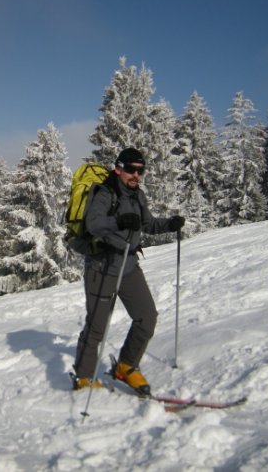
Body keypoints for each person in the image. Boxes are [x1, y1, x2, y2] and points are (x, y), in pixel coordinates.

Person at [72, 147, 185, 394]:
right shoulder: (104, 193)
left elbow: (147, 224)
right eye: (132, 169)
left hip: (129, 266)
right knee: (96, 327)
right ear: (119, 168)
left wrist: (170, 224)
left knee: (147, 318)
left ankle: (126, 366)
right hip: (102, 267)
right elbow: (93, 224)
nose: (136, 175)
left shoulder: (138, 196)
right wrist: (119, 221)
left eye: (140, 170)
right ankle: (83, 378)